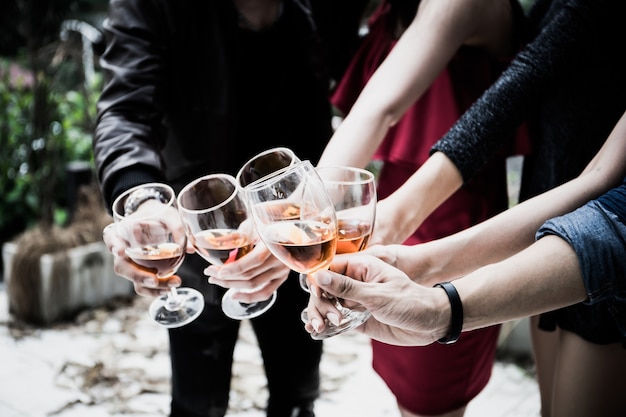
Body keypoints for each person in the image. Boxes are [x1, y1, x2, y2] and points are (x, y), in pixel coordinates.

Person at [316, 0, 626, 416]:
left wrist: (429, 279)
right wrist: (410, 252)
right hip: (541, 216)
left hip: (592, 236)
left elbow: (601, 182)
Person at [94, 1, 368, 416]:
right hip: (201, 232)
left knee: (297, 392)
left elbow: (369, 98)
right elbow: (125, 111)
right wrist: (142, 200)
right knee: (196, 400)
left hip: (299, 230)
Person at [316, 0, 529, 415]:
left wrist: (307, 213)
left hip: (453, 222)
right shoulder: (390, 7)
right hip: (385, 219)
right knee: (400, 374)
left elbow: (381, 108)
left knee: (432, 396)